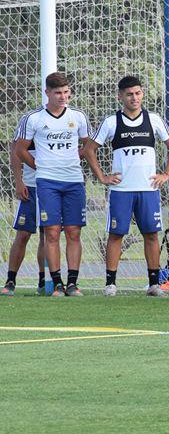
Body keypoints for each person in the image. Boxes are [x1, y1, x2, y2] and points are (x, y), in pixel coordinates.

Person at [84, 75, 169, 297]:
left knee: (151, 234)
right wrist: (102, 177)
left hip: (148, 190)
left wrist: (166, 173)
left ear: (142, 93)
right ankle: (110, 284)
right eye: (129, 94)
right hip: (121, 190)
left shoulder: (154, 120)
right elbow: (89, 149)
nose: (134, 98)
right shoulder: (111, 122)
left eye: (137, 93)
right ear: (120, 96)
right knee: (116, 234)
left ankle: (154, 284)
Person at [15, 73, 91, 297]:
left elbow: (89, 145)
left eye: (66, 92)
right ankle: (57, 283)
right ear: (47, 92)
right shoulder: (34, 118)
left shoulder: (77, 116)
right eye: (58, 92)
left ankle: (73, 283)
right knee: (52, 232)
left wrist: (73, 157)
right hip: (47, 182)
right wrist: (39, 165)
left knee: (74, 231)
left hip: (74, 180)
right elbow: (20, 149)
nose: (63, 97)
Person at [2, 114, 47, 296]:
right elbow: (16, 152)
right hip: (30, 186)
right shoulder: (31, 120)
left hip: (52, 186)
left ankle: (44, 281)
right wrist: (19, 182)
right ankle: (11, 280)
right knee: (23, 234)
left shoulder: (69, 120)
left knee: (48, 234)